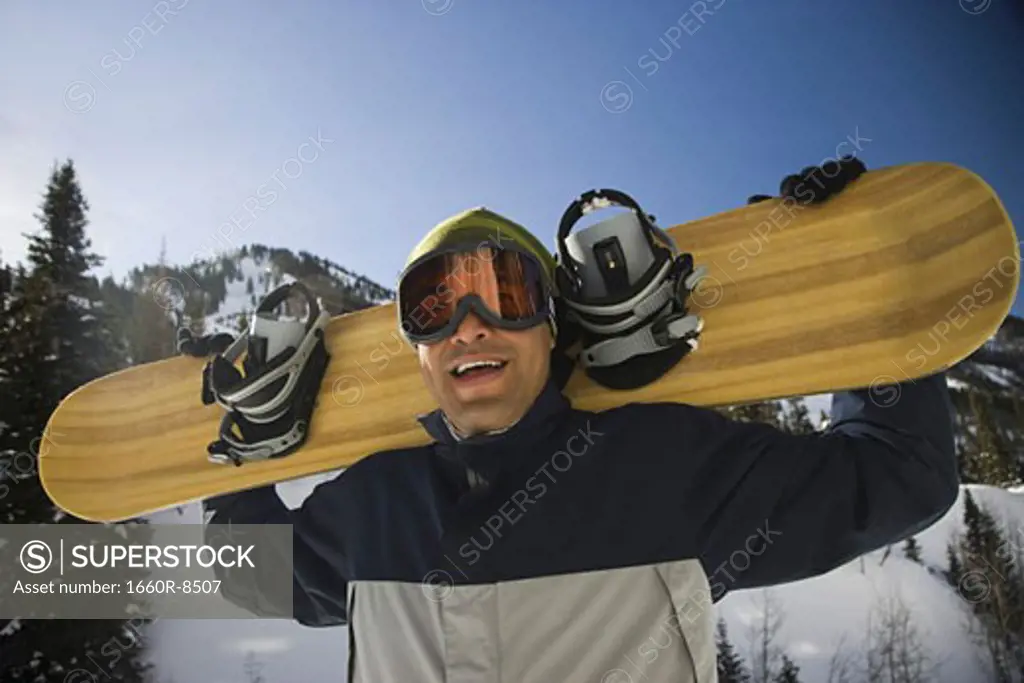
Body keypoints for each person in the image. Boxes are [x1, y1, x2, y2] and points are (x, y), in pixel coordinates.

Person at [201, 163, 958, 682]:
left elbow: (901, 474)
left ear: (553, 329)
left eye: (504, 292)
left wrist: (857, 293)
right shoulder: (373, 506)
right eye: (436, 307)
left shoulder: (664, 470)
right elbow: (250, 581)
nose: (469, 325)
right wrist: (228, 449)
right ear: (419, 352)